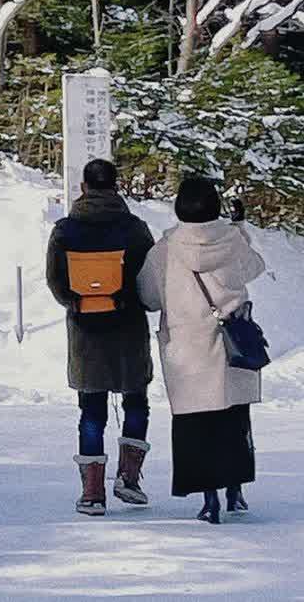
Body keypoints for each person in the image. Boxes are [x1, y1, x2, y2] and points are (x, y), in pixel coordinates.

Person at [138, 176, 265, 524]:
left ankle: (210, 501)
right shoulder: (232, 241)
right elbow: (255, 267)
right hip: (232, 345)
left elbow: (148, 297)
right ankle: (235, 490)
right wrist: (240, 230)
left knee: (197, 426)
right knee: (233, 418)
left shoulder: (164, 251)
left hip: (188, 352)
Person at [46, 158, 155, 516]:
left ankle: (93, 493)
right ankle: (129, 478)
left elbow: (56, 282)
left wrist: (78, 302)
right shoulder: (135, 229)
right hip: (128, 330)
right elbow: (148, 281)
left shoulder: (65, 230)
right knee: (135, 403)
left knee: (92, 412)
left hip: (86, 334)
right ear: (116, 186)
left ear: (83, 187)